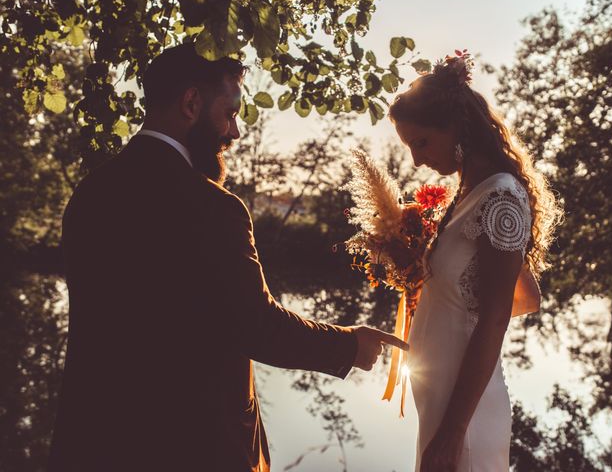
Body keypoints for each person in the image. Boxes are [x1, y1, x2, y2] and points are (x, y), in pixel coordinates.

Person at [47, 43, 408, 472]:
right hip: (194, 447)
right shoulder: (213, 206)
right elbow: (257, 325)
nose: (234, 133)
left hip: (93, 444)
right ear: (191, 102)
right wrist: (350, 344)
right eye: (231, 113)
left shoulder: (90, 195)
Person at [389, 51, 562, 471]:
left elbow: (496, 316)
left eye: (422, 142)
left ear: (457, 127)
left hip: (463, 419)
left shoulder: (500, 197)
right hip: (440, 404)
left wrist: (453, 434)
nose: (416, 160)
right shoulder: (469, 197)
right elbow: (527, 296)